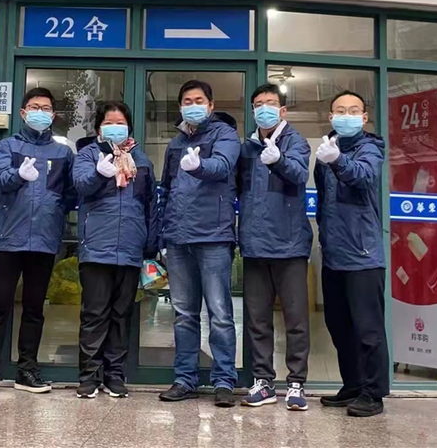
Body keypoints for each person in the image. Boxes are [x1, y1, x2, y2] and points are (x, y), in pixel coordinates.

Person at [0, 88, 75, 396]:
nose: (40, 112)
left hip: (44, 240)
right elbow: (1, 181)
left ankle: (27, 370)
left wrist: (54, 211)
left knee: (34, 308)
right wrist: (20, 174)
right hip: (9, 239)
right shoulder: (7, 145)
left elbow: (71, 194)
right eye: (34, 107)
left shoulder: (63, 153)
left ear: (53, 115)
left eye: (45, 108)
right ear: (22, 112)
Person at [157, 80, 241, 408]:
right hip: (178, 238)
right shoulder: (176, 143)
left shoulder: (225, 135)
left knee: (219, 313)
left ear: (210, 105)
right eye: (187, 101)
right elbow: (167, 189)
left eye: (199, 100)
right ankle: (185, 379)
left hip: (213, 236)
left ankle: (224, 380)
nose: (193, 105)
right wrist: (163, 235)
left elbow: (222, 166)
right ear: (181, 107)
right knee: (184, 314)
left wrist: (200, 166)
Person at [72, 101, 158, 399]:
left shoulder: (141, 160)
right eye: (109, 122)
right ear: (99, 127)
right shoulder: (88, 154)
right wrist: (99, 173)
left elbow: (150, 204)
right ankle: (89, 376)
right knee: (94, 313)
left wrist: (151, 243)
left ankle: (115, 375)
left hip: (131, 248)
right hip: (97, 246)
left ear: (129, 126)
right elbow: (81, 186)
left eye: (120, 122)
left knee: (122, 315)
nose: (115, 127)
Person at [237, 83, 312, 410]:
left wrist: (279, 160)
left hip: (289, 244)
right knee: (257, 319)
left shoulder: (296, 141)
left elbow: (298, 174)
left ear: (282, 110)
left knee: (295, 319)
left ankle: (296, 383)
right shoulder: (248, 147)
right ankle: (263, 381)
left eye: (270, 103)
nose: (263, 109)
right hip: (255, 244)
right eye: (258, 104)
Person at [314, 90, 388, 417]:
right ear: (331, 117)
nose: (347, 115)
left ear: (364, 117)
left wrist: (338, 161)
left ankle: (374, 393)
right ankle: (353, 385)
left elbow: (363, 176)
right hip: (334, 253)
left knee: (368, 329)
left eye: (353, 110)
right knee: (339, 325)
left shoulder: (370, 148)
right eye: (340, 110)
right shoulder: (326, 151)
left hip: (363, 254)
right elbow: (323, 200)